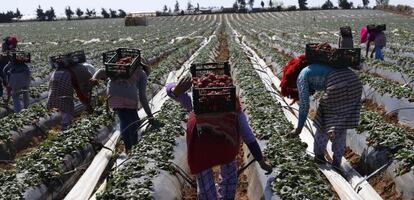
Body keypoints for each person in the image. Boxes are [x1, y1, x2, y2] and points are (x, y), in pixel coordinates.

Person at [166, 76, 273, 199]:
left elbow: (169, 90)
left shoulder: (199, 103)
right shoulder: (234, 111)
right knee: (228, 179)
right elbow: (249, 138)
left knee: (205, 185)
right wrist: (261, 162)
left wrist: (175, 91)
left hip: (201, 150)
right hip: (225, 148)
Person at [282, 54, 362, 171]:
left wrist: (298, 128)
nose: (295, 89)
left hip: (338, 83)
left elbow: (304, 105)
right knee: (340, 125)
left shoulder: (302, 76)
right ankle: (336, 162)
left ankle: (319, 156)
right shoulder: (315, 67)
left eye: (293, 87)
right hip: (355, 83)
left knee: (322, 120)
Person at [90, 61, 153, 154]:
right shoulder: (142, 73)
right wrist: (149, 115)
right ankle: (132, 147)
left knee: (127, 119)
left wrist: (94, 78)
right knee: (131, 122)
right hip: (130, 98)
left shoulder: (117, 68)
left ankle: (130, 147)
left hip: (113, 95)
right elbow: (142, 96)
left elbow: (101, 71)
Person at [47, 55, 94, 130]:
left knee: (59, 112)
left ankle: (61, 128)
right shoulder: (76, 71)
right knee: (66, 114)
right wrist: (87, 103)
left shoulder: (57, 71)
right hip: (63, 96)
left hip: (52, 96)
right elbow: (79, 89)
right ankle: (65, 130)